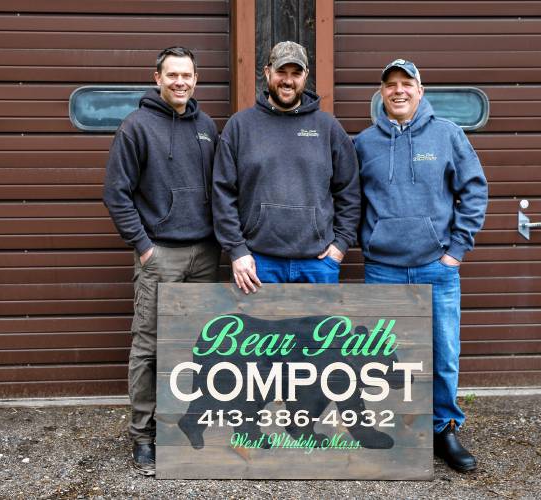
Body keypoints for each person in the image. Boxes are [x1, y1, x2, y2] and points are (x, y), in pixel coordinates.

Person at [354, 59, 488, 472]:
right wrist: (366, 244)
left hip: (436, 266)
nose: (398, 91)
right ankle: (395, 431)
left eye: (406, 84)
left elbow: (474, 190)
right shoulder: (363, 143)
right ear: (381, 93)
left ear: (420, 90)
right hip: (383, 268)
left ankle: (443, 429)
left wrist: (455, 252)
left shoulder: (447, 135)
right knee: (383, 357)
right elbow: (349, 202)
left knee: (442, 353)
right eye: (390, 85)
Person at [102, 46, 220, 475]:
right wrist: (144, 246)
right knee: (150, 348)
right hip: (160, 255)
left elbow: (221, 188)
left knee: (201, 348)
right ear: (156, 78)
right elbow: (116, 193)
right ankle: (144, 436)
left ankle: (189, 429)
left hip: (206, 255)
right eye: (172, 75)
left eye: (187, 75)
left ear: (196, 79)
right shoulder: (136, 127)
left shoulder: (206, 127)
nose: (180, 82)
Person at [213, 41, 359, 291]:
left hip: (318, 263)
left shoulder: (328, 128)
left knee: (319, 331)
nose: (288, 80)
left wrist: (340, 245)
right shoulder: (240, 126)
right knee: (257, 330)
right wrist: (237, 251)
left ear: (306, 76)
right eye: (281, 72)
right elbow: (222, 193)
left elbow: (350, 191)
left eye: (296, 73)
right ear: (268, 72)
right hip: (257, 264)